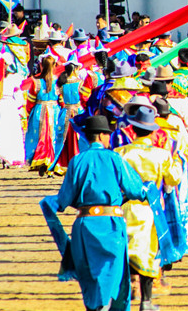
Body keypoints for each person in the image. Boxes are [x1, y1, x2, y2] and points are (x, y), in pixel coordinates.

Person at [52, 115, 148, 311]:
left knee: (89, 277)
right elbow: (135, 190)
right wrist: (148, 191)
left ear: (87, 137)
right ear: (103, 136)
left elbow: (63, 201)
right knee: (111, 275)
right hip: (111, 225)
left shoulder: (77, 161)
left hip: (85, 225)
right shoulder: (115, 159)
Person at [115, 105, 182, 311]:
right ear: (153, 131)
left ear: (132, 130)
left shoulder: (120, 153)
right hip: (150, 209)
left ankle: (123, 297)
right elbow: (174, 178)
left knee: (125, 250)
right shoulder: (161, 155)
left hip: (124, 208)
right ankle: (146, 301)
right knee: (149, 253)